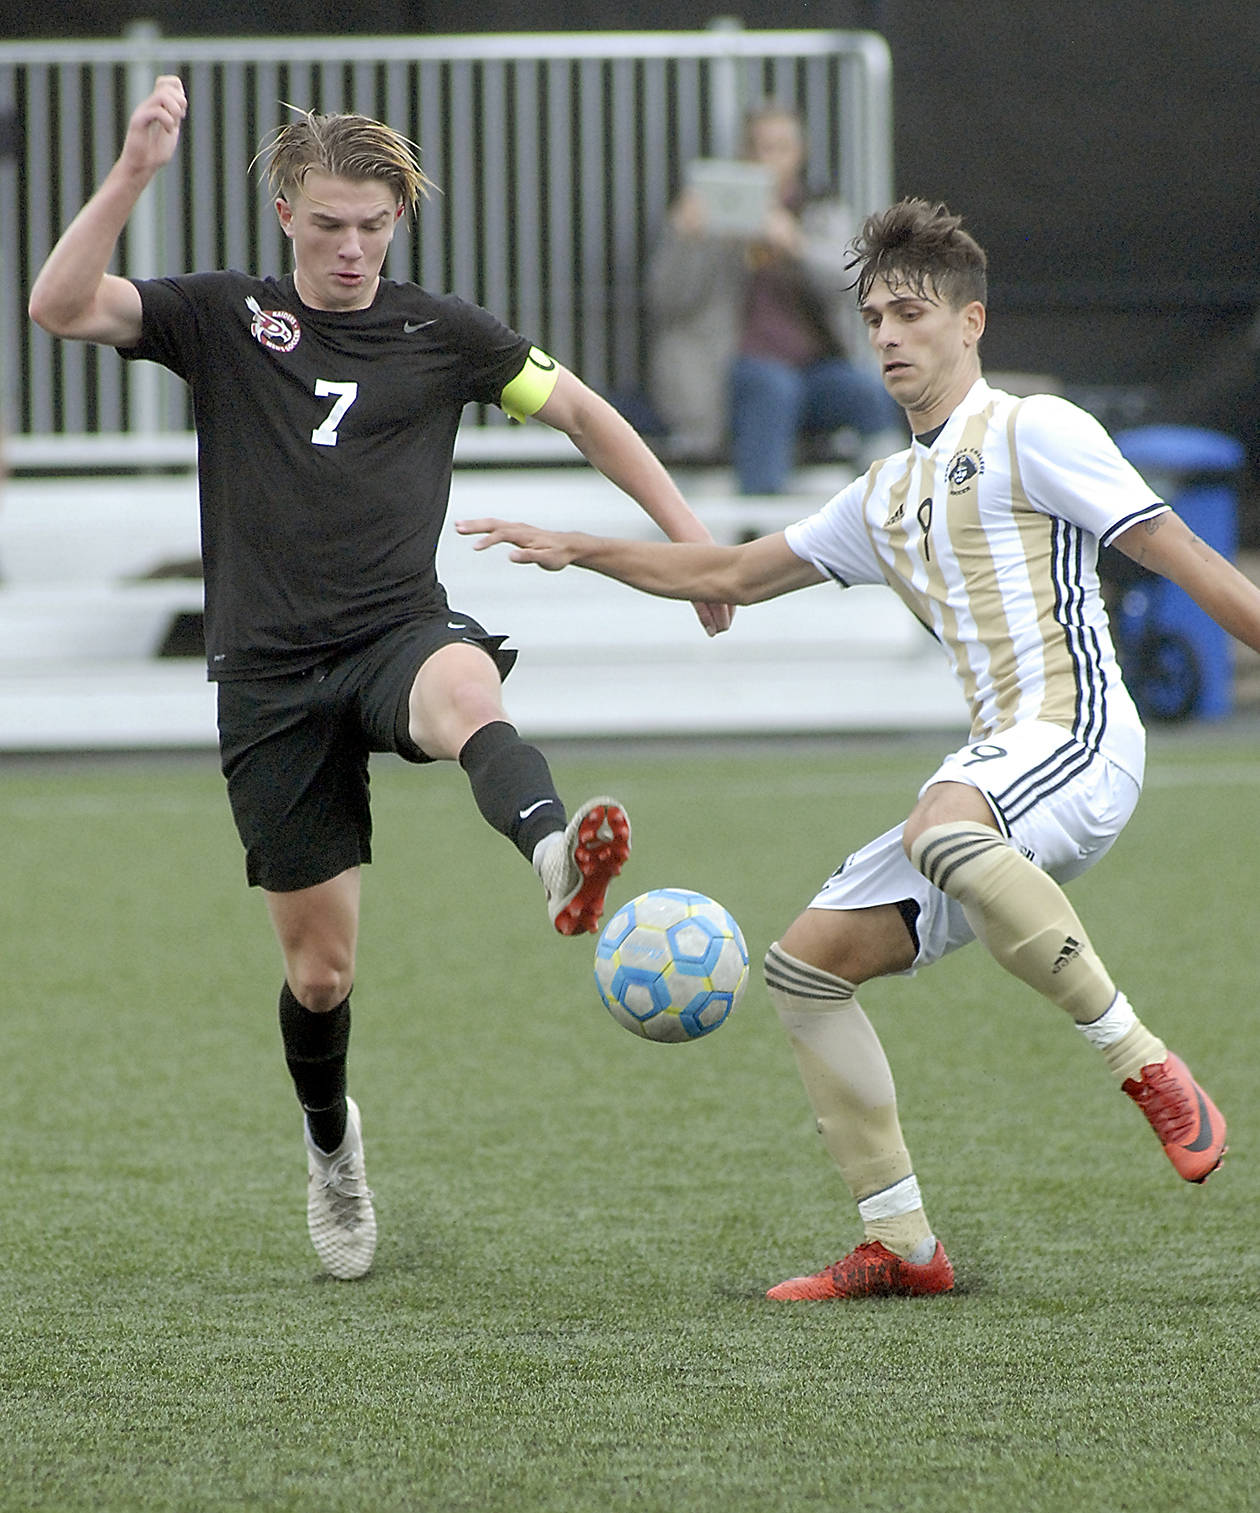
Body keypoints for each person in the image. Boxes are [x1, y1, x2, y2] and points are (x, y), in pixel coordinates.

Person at [460, 197, 1260, 1300]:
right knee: (804, 968)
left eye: (912, 313)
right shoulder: (885, 496)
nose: (888, 334)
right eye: (875, 315)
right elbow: (732, 576)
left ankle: (1147, 1067)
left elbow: (1184, 557)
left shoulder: (1035, 430)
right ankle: (904, 1244)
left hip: (1076, 740)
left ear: (971, 323)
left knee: (942, 817)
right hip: (994, 783)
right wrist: (577, 546)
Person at [28, 76, 732, 1283]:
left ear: (399, 217)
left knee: (468, 694)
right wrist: (136, 169)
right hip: (268, 675)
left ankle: (561, 856)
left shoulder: (442, 332)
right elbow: (58, 305)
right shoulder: (220, 317)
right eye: (327, 225)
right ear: (287, 218)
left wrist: (692, 547)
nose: (352, 249)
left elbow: (584, 413)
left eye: (373, 225)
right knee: (321, 972)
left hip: (394, 630)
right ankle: (332, 1149)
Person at [645, 103, 901, 492]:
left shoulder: (819, 211)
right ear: (744, 154)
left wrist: (799, 246)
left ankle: (894, 502)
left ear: (800, 153)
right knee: (773, 389)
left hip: (814, 367)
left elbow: (858, 282)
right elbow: (666, 300)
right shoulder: (706, 214)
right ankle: (760, 522)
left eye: (781, 147)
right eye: (760, 148)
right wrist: (687, 240)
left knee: (868, 391)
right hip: (732, 369)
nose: (769, 159)